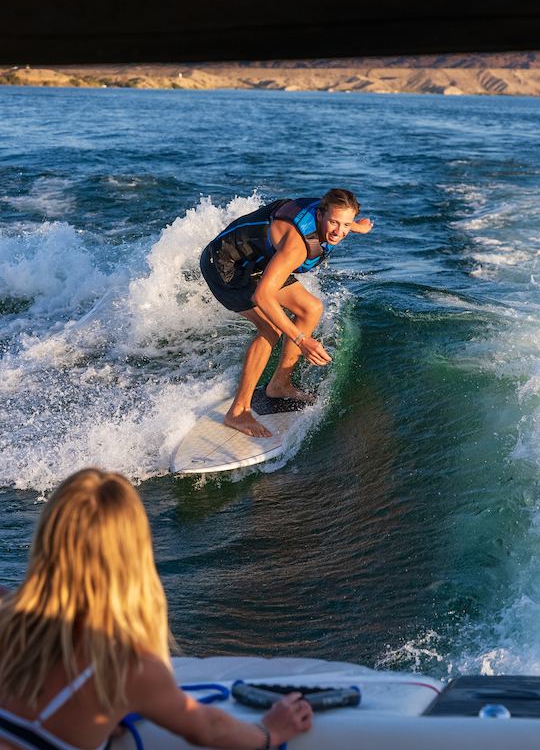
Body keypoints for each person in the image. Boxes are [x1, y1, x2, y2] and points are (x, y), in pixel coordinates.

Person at [0, 468, 312, 750]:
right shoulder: (125, 669)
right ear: (132, 552)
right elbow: (207, 728)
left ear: (48, 538)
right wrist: (269, 733)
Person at [200, 188, 373, 437]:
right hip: (225, 266)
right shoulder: (296, 246)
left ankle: (279, 385)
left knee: (311, 308)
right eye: (334, 223)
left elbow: (339, 219)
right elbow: (262, 296)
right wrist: (301, 339)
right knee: (270, 329)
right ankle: (237, 413)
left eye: (345, 224)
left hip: (257, 263)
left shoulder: (328, 216)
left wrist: (357, 227)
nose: (339, 231)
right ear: (321, 214)